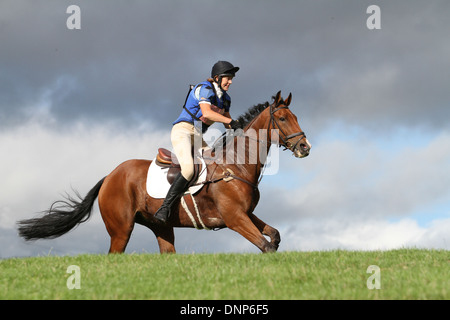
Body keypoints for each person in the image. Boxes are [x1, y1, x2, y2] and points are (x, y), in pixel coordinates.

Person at [154, 61, 243, 223]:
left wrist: (242, 131)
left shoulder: (226, 99)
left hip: (197, 136)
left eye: (231, 79)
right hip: (182, 131)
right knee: (188, 170)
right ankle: (165, 208)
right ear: (217, 78)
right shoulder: (205, 89)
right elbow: (207, 114)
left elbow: (228, 124)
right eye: (227, 78)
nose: (230, 82)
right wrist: (232, 122)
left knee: (214, 165)